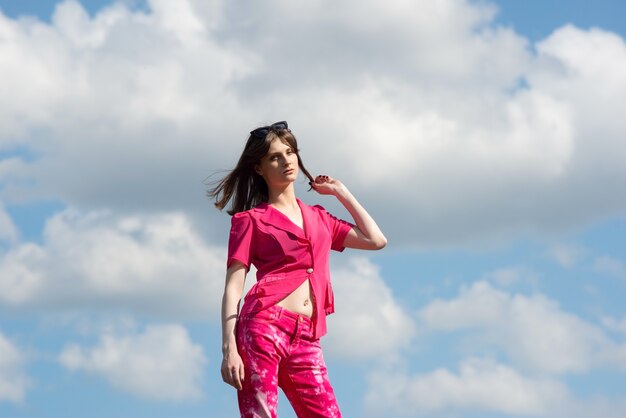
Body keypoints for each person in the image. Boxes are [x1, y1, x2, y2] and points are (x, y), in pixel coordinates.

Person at [209, 121, 387, 418]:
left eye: (290, 152)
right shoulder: (250, 220)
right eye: (275, 157)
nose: (286, 161)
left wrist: (341, 192)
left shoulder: (319, 217)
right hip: (263, 325)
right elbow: (233, 286)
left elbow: (376, 240)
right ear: (259, 168)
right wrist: (229, 347)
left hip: (307, 335)